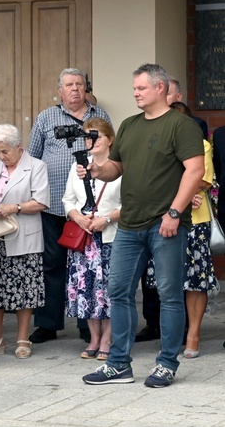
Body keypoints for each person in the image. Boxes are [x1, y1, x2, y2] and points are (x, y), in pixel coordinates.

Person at [80, 63, 204, 388]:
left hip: (166, 225)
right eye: (134, 88)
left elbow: (194, 171)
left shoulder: (181, 125)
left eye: (141, 88)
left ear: (160, 88)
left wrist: (175, 213)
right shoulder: (130, 125)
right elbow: (115, 169)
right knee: (118, 291)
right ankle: (119, 364)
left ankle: (166, 364)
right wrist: (94, 170)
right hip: (130, 225)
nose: (135, 93)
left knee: (168, 294)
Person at [27, 68, 112, 344]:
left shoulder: (99, 116)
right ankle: (48, 323)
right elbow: (33, 159)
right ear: (60, 90)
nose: (75, 89)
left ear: (86, 88)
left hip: (92, 209)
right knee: (52, 264)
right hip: (54, 205)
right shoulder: (45, 117)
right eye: (69, 85)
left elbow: (113, 151)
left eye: (79, 84)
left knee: (91, 267)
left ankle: (89, 326)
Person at [0, 124, 50, 359]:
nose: (1, 156)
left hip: (22, 235)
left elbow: (41, 202)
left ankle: (22, 338)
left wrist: (15, 207)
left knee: (24, 290)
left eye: (5, 151)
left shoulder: (36, 166)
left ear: (19, 146)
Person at [143, 136, 215, 359]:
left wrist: (182, 194)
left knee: (195, 280)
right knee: (167, 280)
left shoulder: (201, 144)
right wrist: (181, 195)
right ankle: (171, 335)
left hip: (195, 221)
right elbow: (148, 179)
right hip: (162, 218)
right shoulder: (155, 142)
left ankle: (193, 334)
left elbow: (204, 179)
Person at [62, 118, 122, 360]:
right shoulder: (79, 166)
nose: (91, 141)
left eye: (96, 136)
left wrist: (105, 219)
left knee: (108, 290)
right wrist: (79, 218)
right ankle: (94, 339)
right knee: (86, 289)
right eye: (87, 137)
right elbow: (67, 200)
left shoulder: (119, 168)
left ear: (110, 139)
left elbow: (129, 205)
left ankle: (108, 340)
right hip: (84, 240)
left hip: (110, 237)